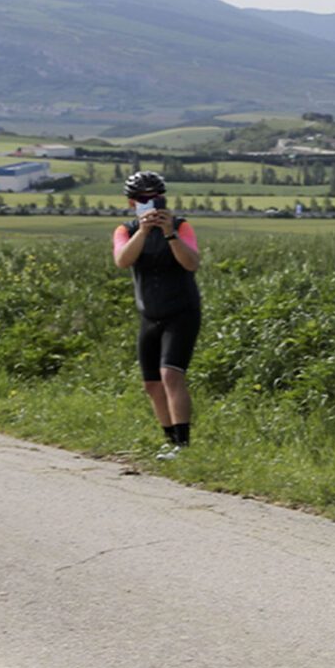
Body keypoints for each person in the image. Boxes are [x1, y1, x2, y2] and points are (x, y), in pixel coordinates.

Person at [112, 171, 201, 459]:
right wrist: (142, 231)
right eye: (143, 199)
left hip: (181, 312)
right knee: (151, 384)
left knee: (171, 375)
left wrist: (169, 234)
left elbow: (191, 263)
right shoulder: (125, 231)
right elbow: (122, 260)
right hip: (150, 314)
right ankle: (169, 439)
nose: (151, 204)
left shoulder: (181, 226)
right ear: (132, 203)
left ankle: (183, 445)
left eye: (156, 198)